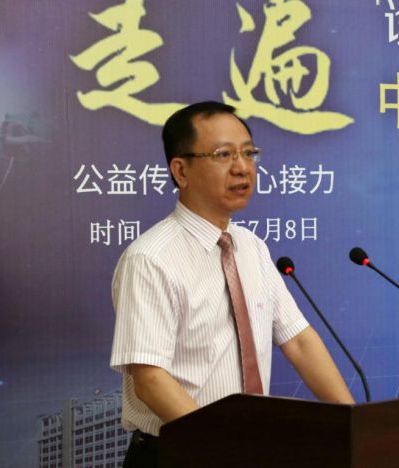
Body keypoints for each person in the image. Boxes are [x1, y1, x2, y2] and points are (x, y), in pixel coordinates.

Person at [111, 101, 354, 467]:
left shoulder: (251, 247)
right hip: (179, 453)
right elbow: (150, 379)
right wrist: (222, 449)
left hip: (244, 449)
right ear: (181, 170)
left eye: (248, 153)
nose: (242, 167)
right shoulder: (151, 258)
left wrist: (355, 428)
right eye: (223, 155)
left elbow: (299, 342)